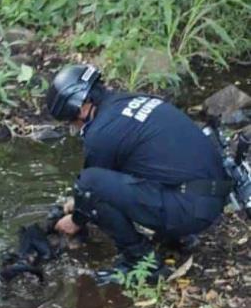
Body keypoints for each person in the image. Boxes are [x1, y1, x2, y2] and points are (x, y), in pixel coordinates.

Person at [46, 64, 229, 282]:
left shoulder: (101, 133)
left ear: (82, 108)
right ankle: (176, 237)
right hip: (214, 196)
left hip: (191, 211)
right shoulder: (128, 101)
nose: (74, 127)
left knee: (89, 184)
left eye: (71, 121)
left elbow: (92, 189)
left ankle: (141, 261)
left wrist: (75, 220)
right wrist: (76, 202)